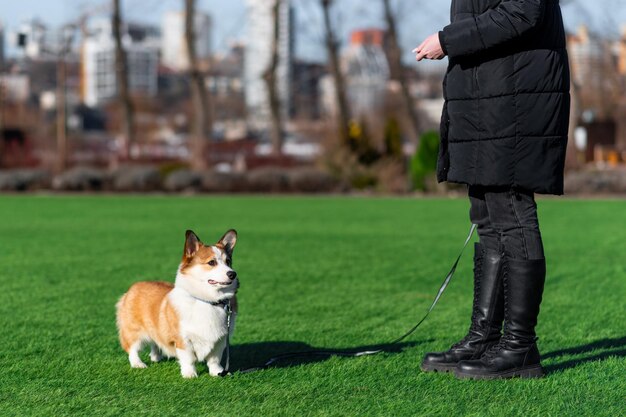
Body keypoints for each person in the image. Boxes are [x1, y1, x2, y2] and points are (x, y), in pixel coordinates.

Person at [413, 0, 570, 379]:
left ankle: (520, 347)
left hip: (514, 101)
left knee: (512, 212)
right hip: (489, 100)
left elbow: (523, 12)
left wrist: (448, 40)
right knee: (486, 214)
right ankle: (485, 337)